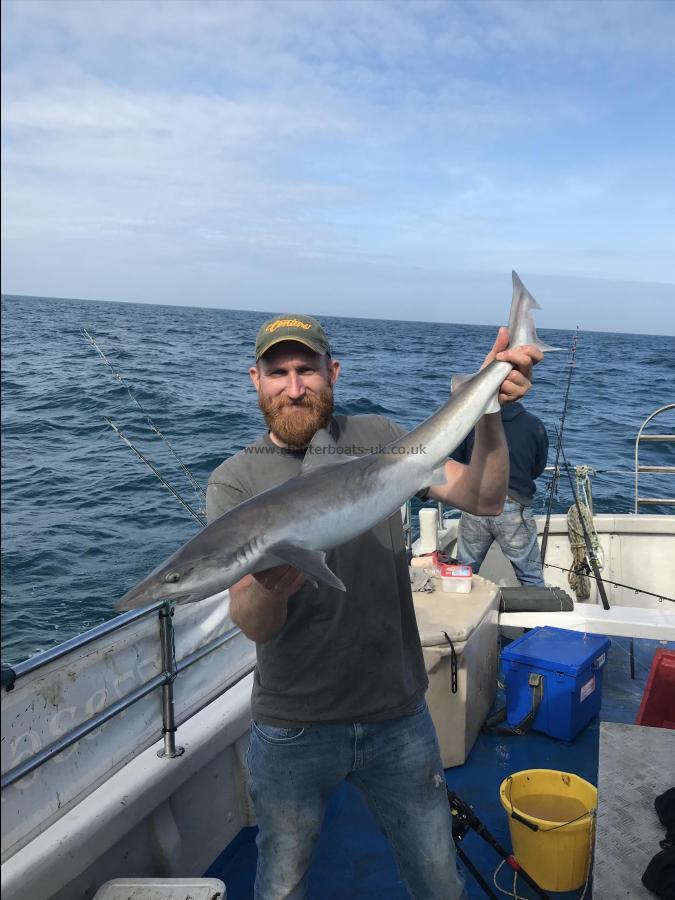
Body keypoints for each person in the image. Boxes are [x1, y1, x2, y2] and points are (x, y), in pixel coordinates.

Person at [206, 313, 542, 900]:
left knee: (439, 878)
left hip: (398, 713)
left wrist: (487, 407)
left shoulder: (380, 435)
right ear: (254, 380)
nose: (293, 386)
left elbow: (485, 499)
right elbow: (252, 622)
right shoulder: (234, 482)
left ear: (332, 372)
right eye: (278, 372)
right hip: (293, 724)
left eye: (306, 370)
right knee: (281, 884)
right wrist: (273, 579)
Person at [453, 402, 549, 586]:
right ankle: (537, 612)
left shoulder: (473, 422)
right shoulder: (534, 424)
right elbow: (538, 467)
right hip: (513, 504)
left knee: (464, 571)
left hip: (476, 503)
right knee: (530, 576)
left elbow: (457, 461)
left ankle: (460, 610)